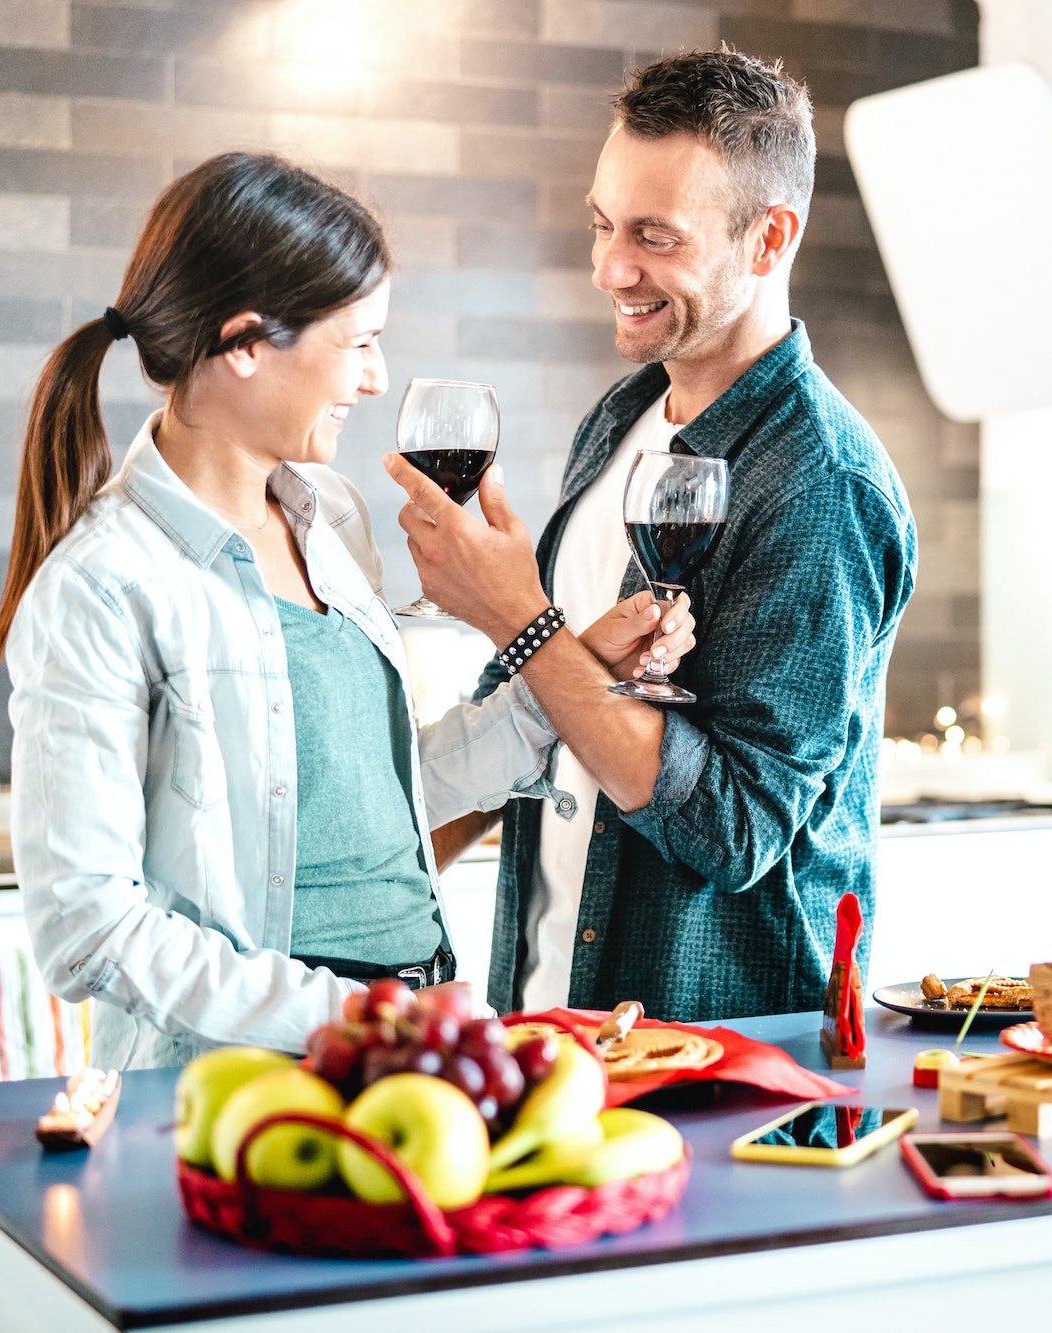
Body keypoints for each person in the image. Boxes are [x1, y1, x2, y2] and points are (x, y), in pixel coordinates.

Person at [0, 152, 692, 1070]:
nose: (374, 378)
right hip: (249, 1076)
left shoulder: (331, 518)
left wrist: (566, 675)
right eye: (357, 343)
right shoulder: (104, 584)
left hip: (416, 1031)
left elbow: (372, 803)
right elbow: (87, 926)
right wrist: (345, 1015)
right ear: (243, 343)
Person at [386, 49, 917, 1023]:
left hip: (721, 1062)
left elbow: (736, 829)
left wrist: (517, 614)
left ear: (769, 239)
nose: (608, 268)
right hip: (546, 1020)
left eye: (653, 236)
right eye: (601, 225)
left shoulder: (817, 482)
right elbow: (547, 719)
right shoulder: (623, 416)